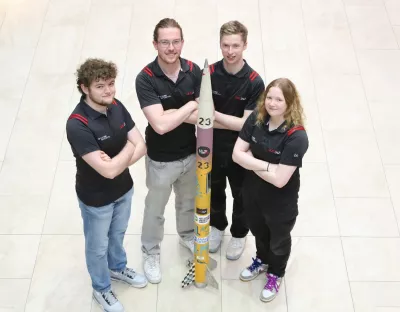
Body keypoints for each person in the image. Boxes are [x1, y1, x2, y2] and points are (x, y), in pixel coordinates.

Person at [66, 58, 147, 312]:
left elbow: (142, 146)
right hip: (96, 199)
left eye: (111, 84)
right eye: (100, 86)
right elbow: (108, 171)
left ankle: (118, 268)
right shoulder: (77, 124)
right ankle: (101, 288)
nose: (108, 91)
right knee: (97, 247)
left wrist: (116, 161)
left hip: (124, 189)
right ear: (84, 88)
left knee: (117, 235)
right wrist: (127, 148)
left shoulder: (116, 105)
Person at [135, 18, 201, 284]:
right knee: (155, 209)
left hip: (190, 154)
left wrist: (173, 113)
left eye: (176, 42)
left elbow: (203, 117)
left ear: (182, 43)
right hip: (161, 160)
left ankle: (187, 236)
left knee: (187, 203)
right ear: (155, 44)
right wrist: (189, 106)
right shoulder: (146, 78)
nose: (171, 48)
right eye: (165, 42)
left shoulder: (194, 71)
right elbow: (160, 126)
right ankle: (150, 251)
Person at [232, 78, 308, 302]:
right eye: (270, 98)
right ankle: (262, 260)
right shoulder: (256, 118)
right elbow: (237, 154)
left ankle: (276, 273)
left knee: (278, 240)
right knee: (259, 232)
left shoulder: (296, 136)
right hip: (253, 194)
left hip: (280, 202)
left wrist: (251, 161)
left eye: (279, 99)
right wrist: (266, 166)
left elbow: (280, 181)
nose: (272, 104)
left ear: (290, 103)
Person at [207, 20, 265, 260]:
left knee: (241, 195)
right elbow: (201, 117)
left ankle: (239, 234)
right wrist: (216, 119)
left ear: (245, 45)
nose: (230, 52)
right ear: (220, 44)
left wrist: (214, 116)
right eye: (225, 45)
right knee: (215, 191)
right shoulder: (208, 74)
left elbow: (246, 124)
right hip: (211, 147)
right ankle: (217, 227)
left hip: (242, 150)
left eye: (235, 46)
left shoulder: (254, 81)